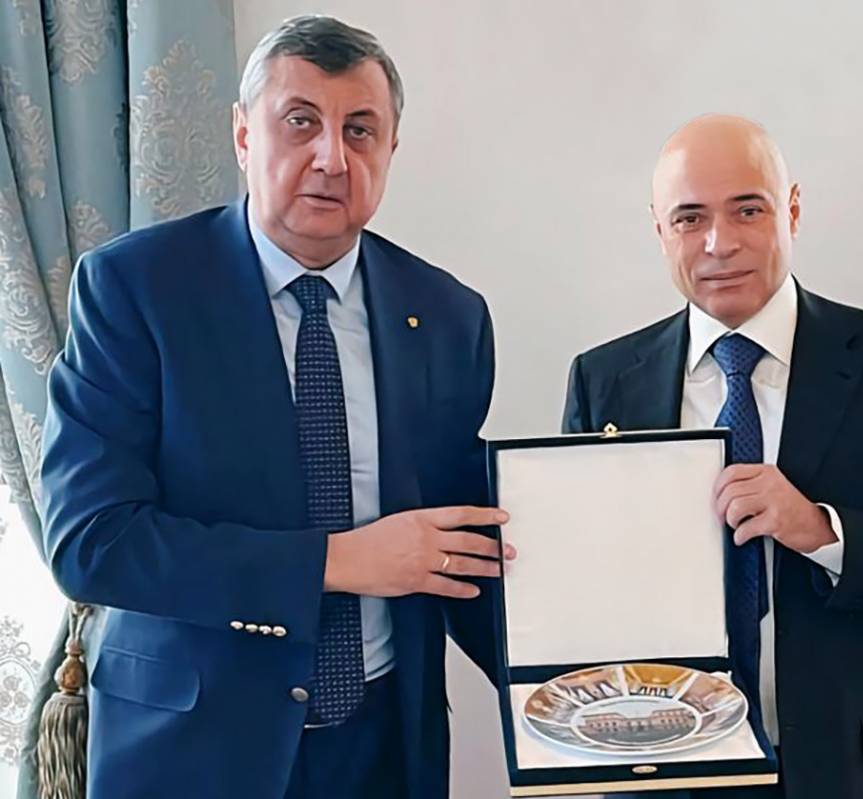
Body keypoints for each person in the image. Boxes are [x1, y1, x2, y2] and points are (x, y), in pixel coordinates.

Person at [38, 15, 511, 799]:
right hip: (192, 751)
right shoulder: (137, 289)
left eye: (360, 130)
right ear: (242, 135)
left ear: (391, 149)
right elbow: (94, 541)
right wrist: (337, 561)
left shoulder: (447, 315)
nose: (332, 157)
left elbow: (460, 539)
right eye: (300, 121)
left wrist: (584, 684)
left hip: (384, 747)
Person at [562, 114, 863, 798]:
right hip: (663, 776)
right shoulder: (603, 382)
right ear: (659, 230)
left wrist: (822, 532)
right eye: (690, 218)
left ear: (793, 210)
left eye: (748, 209)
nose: (720, 243)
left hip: (855, 775)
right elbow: (581, 597)